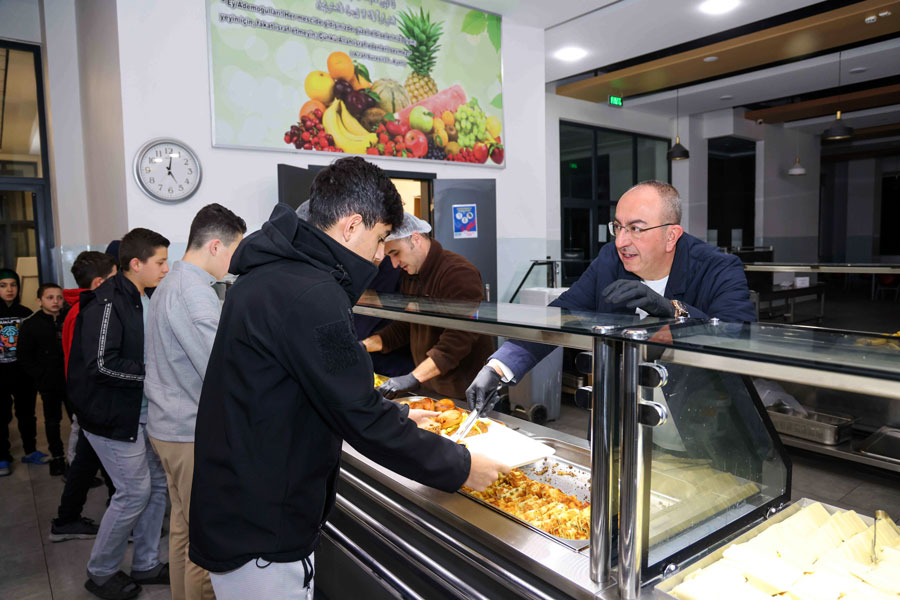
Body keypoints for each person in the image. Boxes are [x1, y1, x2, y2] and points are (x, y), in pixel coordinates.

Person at [191, 157, 507, 600]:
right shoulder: (310, 292)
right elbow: (363, 419)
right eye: (380, 239)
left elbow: (310, 390)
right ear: (352, 225)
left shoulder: (273, 274)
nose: (380, 256)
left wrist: (396, 410)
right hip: (263, 534)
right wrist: (462, 466)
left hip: (241, 506)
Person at [466, 180, 756, 413]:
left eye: (636, 229)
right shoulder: (610, 261)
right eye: (618, 227)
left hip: (697, 421)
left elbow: (739, 337)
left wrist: (672, 309)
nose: (621, 241)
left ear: (671, 236)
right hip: (621, 420)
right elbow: (562, 314)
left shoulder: (717, 268)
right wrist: (499, 367)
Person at [145, 203, 246, 600]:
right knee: (205, 545)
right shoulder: (193, 293)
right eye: (235, 251)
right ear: (216, 246)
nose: (236, 262)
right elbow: (219, 372)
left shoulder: (171, 282)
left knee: (183, 531)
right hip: (188, 432)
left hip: (166, 427)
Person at [68, 228, 171, 599]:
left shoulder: (144, 296)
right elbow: (101, 364)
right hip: (110, 416)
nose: (166, 268)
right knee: (133, 492)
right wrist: (154, 372)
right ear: (136, 264)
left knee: (156, 487)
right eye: (160, 262)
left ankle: (146, 563)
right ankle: (100, 572)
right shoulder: (107, 302)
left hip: (141, 412)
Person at [361, 212, 494, 400]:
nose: (394, 264)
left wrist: (413, 377)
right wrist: (363, 346)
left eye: (396, 253)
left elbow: (457, 340)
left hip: (466, 391)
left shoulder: (458, 273)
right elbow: (405, 327)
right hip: (430, 387)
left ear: (415, 239)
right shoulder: (410, 276)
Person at [297, 200, 414, 376]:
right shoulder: (316, 278)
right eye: (379, 239)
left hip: (387, 360)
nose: (379, 254)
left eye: (383, 240)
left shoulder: (387, 268)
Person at [50, 251, 119, 543]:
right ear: (100, 282)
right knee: (111, 464)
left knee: (87, 460)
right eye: (115, 277)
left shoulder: (80, 307)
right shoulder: (87, 311)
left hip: (84, 397)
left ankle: (66, 519)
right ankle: (124, 523)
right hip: (92, 398)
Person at [17, 283, 70, 476]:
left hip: (71, 380)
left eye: (59, 297)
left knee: (78, 420)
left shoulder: (69, 318)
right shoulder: (31, 324)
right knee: (52, 421)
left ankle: (79, 457)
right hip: (49, 382)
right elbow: (24, 356)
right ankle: (57, 457)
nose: (55, 301)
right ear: (39, 301)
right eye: (50, 297)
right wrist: (41, 375)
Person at [0, 267, 42, 476]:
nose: (9, 289)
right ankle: (2, 457)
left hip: (23, 374)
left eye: (13, 285)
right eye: (3, 285)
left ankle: (31, 451)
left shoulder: (26, 313)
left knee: (27, 414)